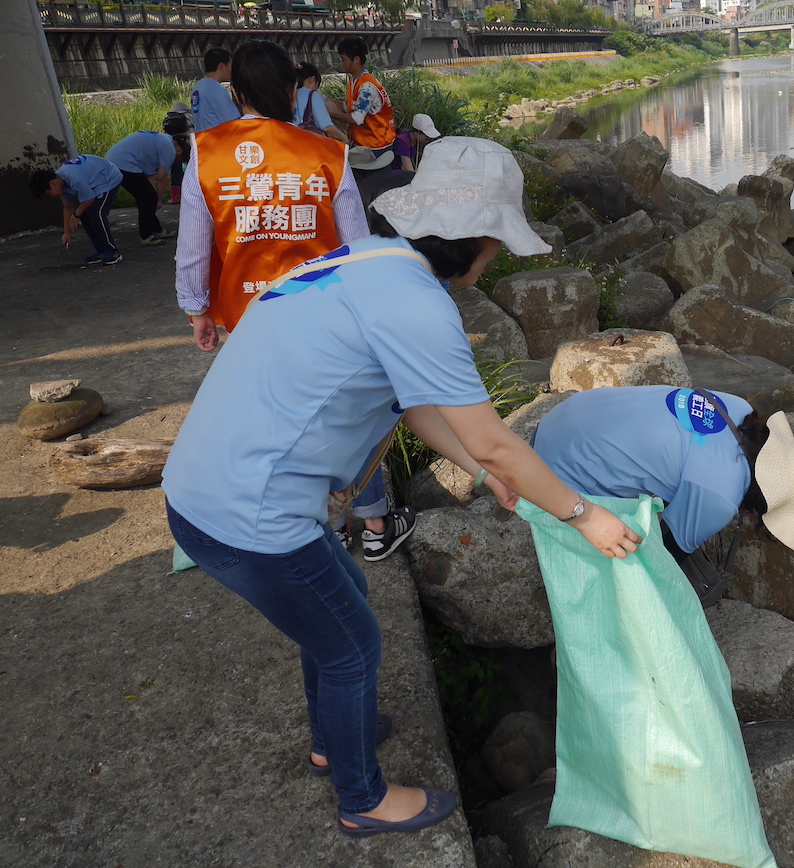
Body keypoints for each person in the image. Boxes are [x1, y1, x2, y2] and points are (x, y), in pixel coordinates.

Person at [162, 135, 641, 837]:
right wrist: (583, 516)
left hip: (204, 491)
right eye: (498, 240)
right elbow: (493, 437)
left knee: (341, 603)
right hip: (250, 515)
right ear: (480, 237)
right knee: (352, 644)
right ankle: (361, 798)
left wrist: (483, 475)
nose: (499, 253)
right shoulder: (420, 304)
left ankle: (334, 738)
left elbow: (416, 407)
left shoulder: (364, 262)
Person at [532, 386, 794, 602]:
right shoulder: (720, 496)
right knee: (627, 560)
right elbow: (663, 556)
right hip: (556, 466)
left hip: (567, 415)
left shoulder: (739, 409)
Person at [174, 40, 369, 352]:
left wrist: (197, 309)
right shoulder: (329, 153)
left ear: (235, 93)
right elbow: (356, 242)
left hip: (247, 309)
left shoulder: (206, 152)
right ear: (293, 91)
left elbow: (192, 246)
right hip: (325, 309)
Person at [28, 155, 124, 266]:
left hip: (108, 178)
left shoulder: (73, 177)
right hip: (94, 184)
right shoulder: (61, 183)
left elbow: (90, 199)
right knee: (84, 213)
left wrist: (76, 214)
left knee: (96, 213)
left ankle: (112, 251)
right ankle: (101, 250)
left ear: (52, 184)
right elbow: (67, 207)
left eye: (49, 194)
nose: (51, 197)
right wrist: (67, 233)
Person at [104, 130, 187, 246]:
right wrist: (159, 200)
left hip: (116, 159)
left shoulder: (164, 140)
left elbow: (150, 177)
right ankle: (146, 235)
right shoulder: (169, 149)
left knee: (147, 197)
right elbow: (161, 177)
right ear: (180, 151)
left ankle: (157, 229)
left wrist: (152, 195)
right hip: (122, 163)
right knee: (148, 199)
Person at [337, 37, 395, 158]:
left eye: (344, 59)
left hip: (376, 146)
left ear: (356, 60)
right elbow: (348, 107)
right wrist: (324, 100)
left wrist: (330, 114)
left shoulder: (367, 86)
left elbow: (357, 118)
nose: (342, 63)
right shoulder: (355, 81)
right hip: (365, 144)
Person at [295, 62, 350, 145]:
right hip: (309, 148)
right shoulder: (312, 95)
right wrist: (344, 138)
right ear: (313, 80)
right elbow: (327, 127)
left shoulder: (289, 95)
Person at [190, 48, 240, 132]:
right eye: (231, 66)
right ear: (222, 67)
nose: (232, 70)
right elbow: (233, 121)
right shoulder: (216, 89)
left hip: (201, 140)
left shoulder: (197, 87)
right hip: (216, 140)